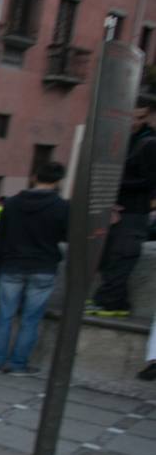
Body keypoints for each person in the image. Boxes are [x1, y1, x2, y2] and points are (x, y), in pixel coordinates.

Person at [0, 162, 69, 375]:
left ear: (34, 177)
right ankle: (18, 364)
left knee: (5, 315)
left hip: (12, 264)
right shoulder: (62, 207)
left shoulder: (12, 203)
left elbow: (0, 234)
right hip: (43, 266)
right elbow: (67, 235)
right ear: (59, 181)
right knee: (31, 319)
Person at [89, 106, 156, 318]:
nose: (134, 121)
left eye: (140, 117)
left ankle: (110, 302)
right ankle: (114, 300)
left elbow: (149, 182)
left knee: (120, 256)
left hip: (133, 213)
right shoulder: (134, 141)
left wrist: (114, 184)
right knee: (110, 256)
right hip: (124, 210)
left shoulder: (148, 143)